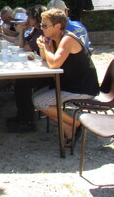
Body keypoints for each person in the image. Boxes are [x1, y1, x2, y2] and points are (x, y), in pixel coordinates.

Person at [32, 9, 99, 142]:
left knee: (39, 101)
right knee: (35, 97)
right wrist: (43, 46)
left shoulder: (67, 39)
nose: (41, 28)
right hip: (70, 84)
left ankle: (77, 123)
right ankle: (67, 126)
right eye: (41, 24)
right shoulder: (54, 38)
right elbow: (46, 59)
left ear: (57, 27)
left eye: (45, 25)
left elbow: (54, 64)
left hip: (82, 88)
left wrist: (46, 46)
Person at [6, 5, 48, 132]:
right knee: (20, 82)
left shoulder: (41, 32)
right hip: (38, 67)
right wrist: (22, 32)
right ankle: (22, 117)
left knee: (22, 83)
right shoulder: (35, 30)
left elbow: (25, 48)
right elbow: (21, 45)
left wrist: (21, 32)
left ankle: (28, 121)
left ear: (36, 18)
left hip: (46, 72)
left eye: (29, 16)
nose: (27, 19)